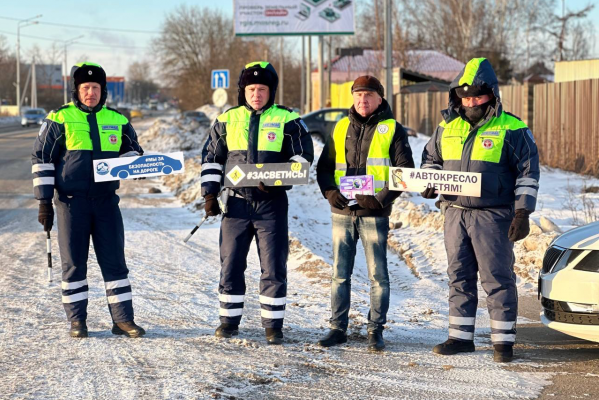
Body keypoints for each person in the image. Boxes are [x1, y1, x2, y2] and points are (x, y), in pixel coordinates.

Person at [421, 57, 540, 362]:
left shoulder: (512, 128)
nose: (471, 102)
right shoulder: (446, 126)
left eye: (477, 96)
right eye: (466, 96)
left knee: (497, 277)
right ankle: (460, 338)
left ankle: (503, 343)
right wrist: (429, 179)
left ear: (492, 94)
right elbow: (431, 158)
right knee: (458, 276)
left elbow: (528, 172)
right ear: (457, 96)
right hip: (454, 212)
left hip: (493, 215)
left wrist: (522, 213)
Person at [201, 61, 314, 345]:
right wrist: (210, 195)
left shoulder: (289, 120)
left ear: (271, 91)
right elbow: (211, 159)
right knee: (231, 264)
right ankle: (228, 322)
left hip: (271, 205)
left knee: (274, 266)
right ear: (243, 91)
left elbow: (302, 159)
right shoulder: (227, 120)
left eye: (262, 89)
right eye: (251, 89)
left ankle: (273, 326)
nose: (256, 94)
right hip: (235, 206)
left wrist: (278, 179)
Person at [32, 62, 145, 338]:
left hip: (106, 201)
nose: (90, 93)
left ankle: (122, 320)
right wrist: (44, 201)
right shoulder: (59, 119)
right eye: (85, 88)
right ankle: (77, 321)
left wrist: (138, 166)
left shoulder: (118, 120)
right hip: (72, 203)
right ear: (77, 90)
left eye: (95, 88)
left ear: (103, 90)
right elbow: (42, 159)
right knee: (74, 263)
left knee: (115, 261)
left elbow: (135, 153)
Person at [316, 75, 414, 351]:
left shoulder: (393, 129)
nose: (362, 100)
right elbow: (324, 168)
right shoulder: (340, 127)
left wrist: (381, 200)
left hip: (374, 214)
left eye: (368, 95)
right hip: (342, 211)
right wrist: (330, 192)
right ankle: (337, 329)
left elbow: (404, 171)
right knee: (339, 273)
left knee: (378, 275)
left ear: (380, 98)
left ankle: (375, 330)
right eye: (358, 95)